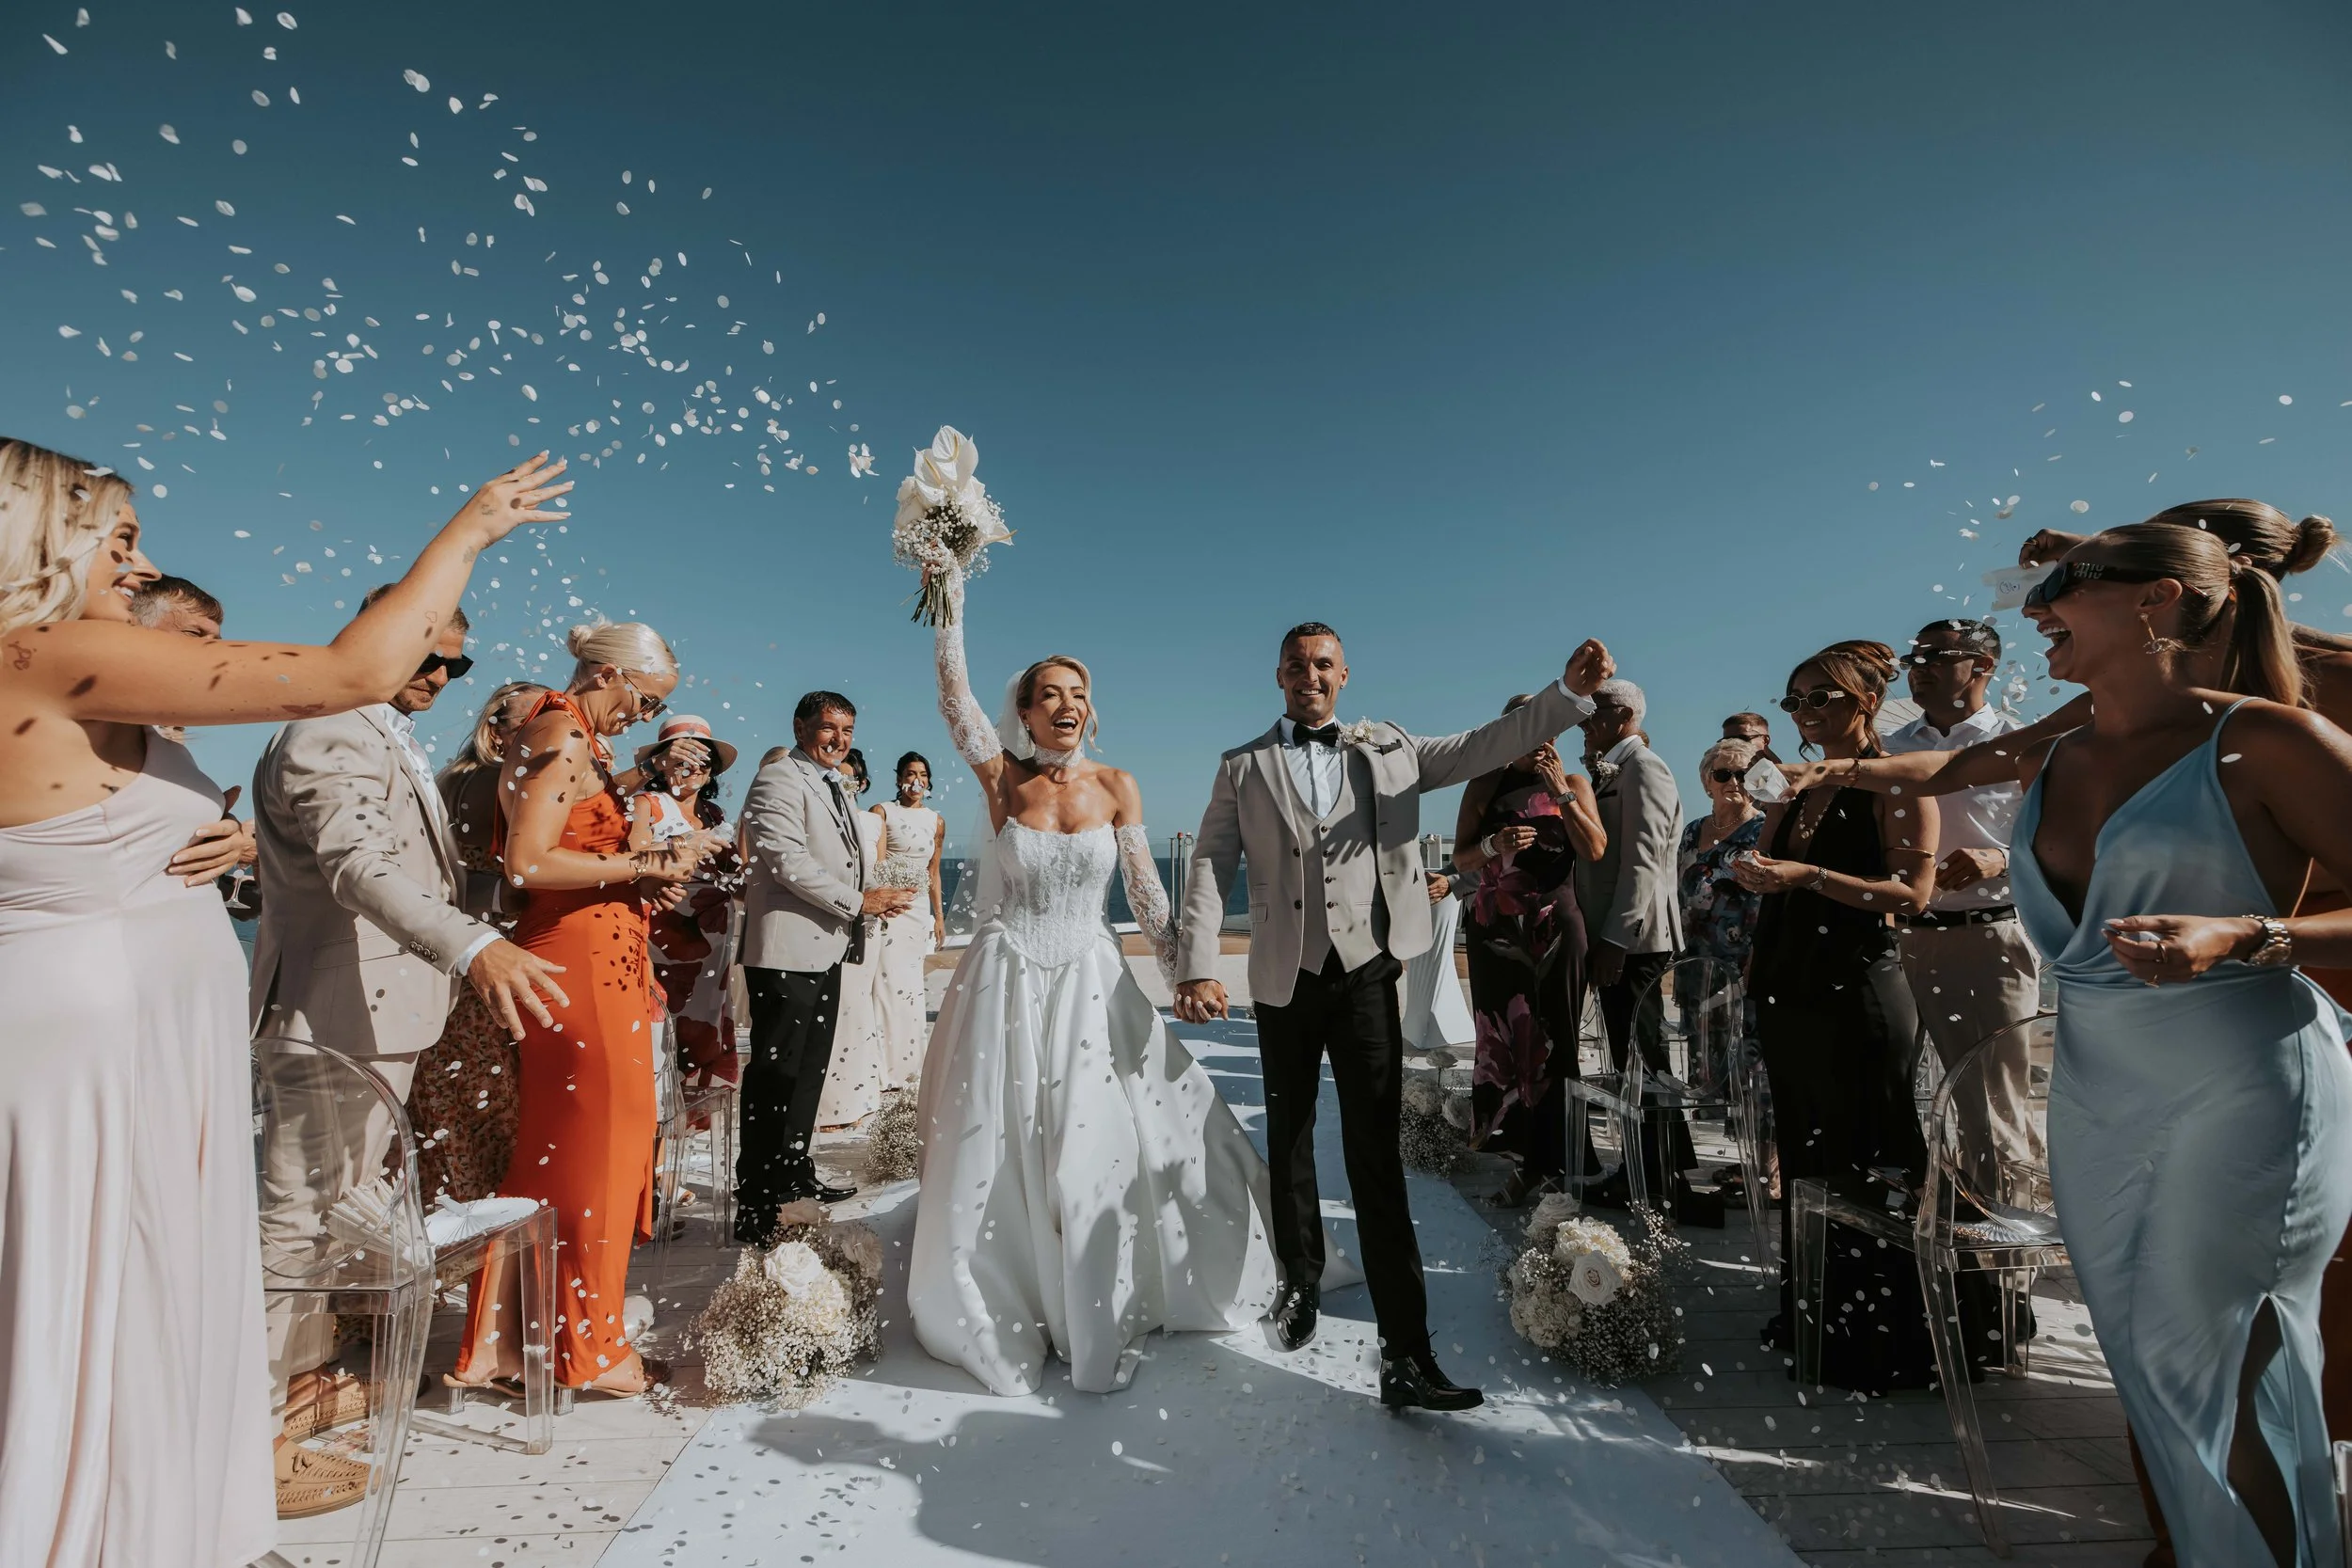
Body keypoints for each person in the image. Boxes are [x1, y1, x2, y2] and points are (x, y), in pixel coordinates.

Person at [0, 437, 565, 1567]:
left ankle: (158, 1513)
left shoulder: (46, 671)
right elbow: (353, 669)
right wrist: (471, 527)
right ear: (44, 539)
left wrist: (230, 834)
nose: (142, 563)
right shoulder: (44, 651)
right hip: (101, 1037)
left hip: (136, 1025)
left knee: (141, 1285)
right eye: (119, 538)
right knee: (106, 1284)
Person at [1806, 523, 2352, 1564]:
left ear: (2155, 599)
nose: (2032, 607)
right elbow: (1943, 767)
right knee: (2147, 1365)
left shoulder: (2270, 739)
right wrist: (1824, 776)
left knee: (2212, 1362)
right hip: (2099, 1096)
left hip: (2244, 1085)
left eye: (2062, 583)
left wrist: (2249, 934)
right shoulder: (2056, 749)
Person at [1175, 618, 1615, 1412]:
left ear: (1343, 675)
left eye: (1323, 664)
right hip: (1282, 976)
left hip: (1368, 971)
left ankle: (1406, 1353)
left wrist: (1567, 696)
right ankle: (1299, 1280)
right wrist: (1198, 961)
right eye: (1296, 664)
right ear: (1278, 676)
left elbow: (1485, 743)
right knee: (1291, 1135)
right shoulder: (1243, 765)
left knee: (1375, 1154)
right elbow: (1210, 860)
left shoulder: (1392, 748)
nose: (1310, 675)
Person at [908, 564, 1279, 1396]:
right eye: (1049, 693)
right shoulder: (1003, 778)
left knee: (1094, 1147)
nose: (1066, 703)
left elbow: (1146, 892)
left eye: (1078, 692)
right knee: (1001, 1144)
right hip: (1007, 980)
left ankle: (1097, 1293)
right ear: (1025, 710)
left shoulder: (1118, 785)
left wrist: (1185, 971)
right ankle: (1008, 1295)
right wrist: (949, 596)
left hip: (1091, 978)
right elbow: (953, 698)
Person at [249, 586, 573, 1511]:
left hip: (379, 1016)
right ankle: (247, 1436)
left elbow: (417, 869)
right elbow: (358, 867)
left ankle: (296, 1389)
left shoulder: (380, 730)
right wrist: (473, 946)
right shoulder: (327, 729)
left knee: (333, 1213)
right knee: (294, 1221)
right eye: (428, 653)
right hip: (331, 1017)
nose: (441, 674)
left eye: (456, 664)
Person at [450, 620, 707, 1398]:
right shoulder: (560, 732)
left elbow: (576, 846)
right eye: (644, 698)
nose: (643, 715)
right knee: (600, 1155)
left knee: (567, 1155)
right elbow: (527, 863)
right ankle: (590, 1351)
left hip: (602, 959)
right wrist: (641, 862)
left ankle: (517, 1342)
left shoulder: (574, 737)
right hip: (579, 967)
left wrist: (639, 874)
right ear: (606, 674)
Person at [1732, 640, 1943, 1390]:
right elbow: (1768, 867)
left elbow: (1912, 894)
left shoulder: (1899, 780)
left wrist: (1810, 875)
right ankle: (1819, 1315)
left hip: (1857, 987)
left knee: (1869, 1149)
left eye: (1820, 697)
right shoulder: (1792, 785)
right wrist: (1756, 872)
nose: (1805, 712)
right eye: (1795, 700)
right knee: (1806, 1149)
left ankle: (1887, 1335)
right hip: (1790, 981)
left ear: (1867, 700)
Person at [735, 693, 912, 1241]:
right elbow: (787, 862)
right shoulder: (778, 779)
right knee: (774, 1077)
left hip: (826, 949)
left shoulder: (833, 783)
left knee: (807, 1073)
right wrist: (861, 902)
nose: (839, 739)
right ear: (800, 726)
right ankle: (757, 1200)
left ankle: (793, 1175)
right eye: (829, 728)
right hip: (786, 951)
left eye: (848, 730)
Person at [1883, 619, 2044, 1207]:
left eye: (1936, 656)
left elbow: (2069, 842)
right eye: (1914, 657)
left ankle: (2007, 1240)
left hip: (1984, 938)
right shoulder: (1891, 750)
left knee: (1993, 1104)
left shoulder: (2023, 744)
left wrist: (2000, 859)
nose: (1919, 668)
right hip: (1896, 942)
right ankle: (1930, 1217)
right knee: (1893, 1095)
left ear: (1984, 666)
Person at [1450, 708, 1607, 1207]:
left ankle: (1561, 1167)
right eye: (1529, 731)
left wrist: (1560, 790)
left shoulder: (1574, 782)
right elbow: (1460, 857)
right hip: (1495, 927)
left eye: (1548, 731)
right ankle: (1523, 1165)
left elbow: (1595, 848)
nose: (1540, 740)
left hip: (1557, 926)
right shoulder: (1485, 784)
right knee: (1504, 1042)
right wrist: (1493, 845)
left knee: (1557, 1044)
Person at [413, 680, 549, 1206]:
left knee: (460, 1104)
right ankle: (483, 1224)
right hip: (483, 966)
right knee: (486, 1104)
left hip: (456, 964)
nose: (553, 733)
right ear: (496, 732)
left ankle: (456, 1217)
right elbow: (449, 884)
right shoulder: (487, 782)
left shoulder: (458, 778)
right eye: (534, 723)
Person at [1574, 678, 1707, 1215]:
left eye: (1595, 712)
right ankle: (1651, 1170)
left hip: (1634, 940)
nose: (1585, 722)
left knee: (1642, 1059)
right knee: (1633, 1059)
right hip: (1615, 938)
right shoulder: (1612, 768)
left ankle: (1657, 1177)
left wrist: (1614, 938)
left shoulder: (1644, 768)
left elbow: (1643, 861)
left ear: (1625, 715)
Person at [630, 714, 743, 1101]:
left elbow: (731, 873)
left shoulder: (715, 814)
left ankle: (695, 1114)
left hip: (714, 933)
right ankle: (659, 1109)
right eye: (684, 757)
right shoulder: (647, 804)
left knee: (708, 1018)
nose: (694, 767)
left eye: (703, 759)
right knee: (662, 1015)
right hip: (665, 929)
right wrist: (679, 847)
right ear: (664, 762)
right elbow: (632, 857)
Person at [131, 577, 262, 897]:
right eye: (193, 634)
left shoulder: (164, 735)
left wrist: (222, 830)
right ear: (133, 630)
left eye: (216, 640)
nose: (212, 652)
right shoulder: (96, 727)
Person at [1677, 736, 1768, 1166]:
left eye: (1743, 774)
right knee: (1707, 1056)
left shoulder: (1764, 829)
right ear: (1706, 781)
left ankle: (1759, 1166)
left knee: (1749, 1061)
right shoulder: (1693, 831)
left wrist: (1758, 959)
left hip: (1744, 961)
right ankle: (1726, 1160)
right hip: (1696, 960)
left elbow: (1770, 900)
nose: (1733, 781)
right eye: (1723, 773)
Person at [815, 748, 889, 1127]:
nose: (845, 784)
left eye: (851, 778)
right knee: (834, 1007)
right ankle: (830, 1104)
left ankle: (860, 1097)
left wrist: (887, 901)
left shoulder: (873, 823)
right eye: (838, 777)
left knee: (859, 1007)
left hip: (870, 924)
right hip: (832, 920)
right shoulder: (821, 818)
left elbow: (879, 872)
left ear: (861, 782)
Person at [873, 751, 946, 1087]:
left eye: (923, 775)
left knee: (912, 986)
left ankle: (910, 1064)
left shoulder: (936, 821)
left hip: (918, 913)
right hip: (890, 909)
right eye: (911, 773)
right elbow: (875, 866)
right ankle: (882, 1066)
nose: (917, 780)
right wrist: (881, 900)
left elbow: (934, 872)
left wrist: (938, 918)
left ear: (929, 781)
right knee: (886, 983)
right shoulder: (882, 812)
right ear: (899, 778)